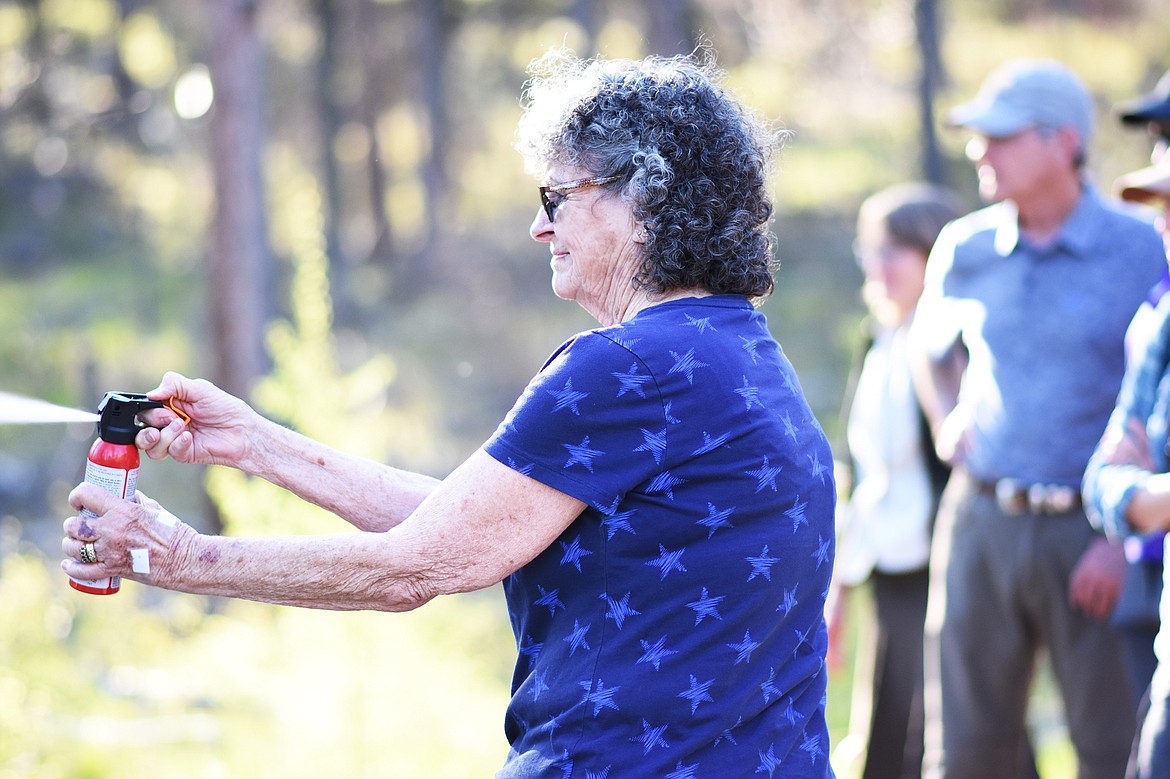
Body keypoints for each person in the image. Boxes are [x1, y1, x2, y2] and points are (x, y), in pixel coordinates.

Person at [60, 51, 838, 779]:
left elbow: (415, 567)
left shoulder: (628, 366)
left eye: (557, 198)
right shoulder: (739, 352)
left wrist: (174, 556)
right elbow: (468, 528)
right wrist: (255, 444)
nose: (539, 227)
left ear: (644, 196)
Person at [908, 58, 1167, 779]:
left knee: (1114, 747)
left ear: (1062, 142)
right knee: (967, 750)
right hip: (980, 519)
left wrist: (1126, 541)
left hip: (1092, 534)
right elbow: (927, 351)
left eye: (1000, 136)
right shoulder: (964, 248)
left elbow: (1155, 405)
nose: (977, 151)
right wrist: (946, 413)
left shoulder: (1143, 245)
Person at [827, 183, 962, 779]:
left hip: (941, 568)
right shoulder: (875, 339)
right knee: (884, 735)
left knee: (946, 735)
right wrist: (838, 591)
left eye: (895, 251)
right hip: (883, 568)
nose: (878, 267)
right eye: (869, 251)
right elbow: (854, 473)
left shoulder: (952, 344)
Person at [1083, 155, 1170, 779]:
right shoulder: (1163, 320)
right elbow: (1103, 485)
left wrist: (1149, 490)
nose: (1162, 226)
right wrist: (1138, 494)